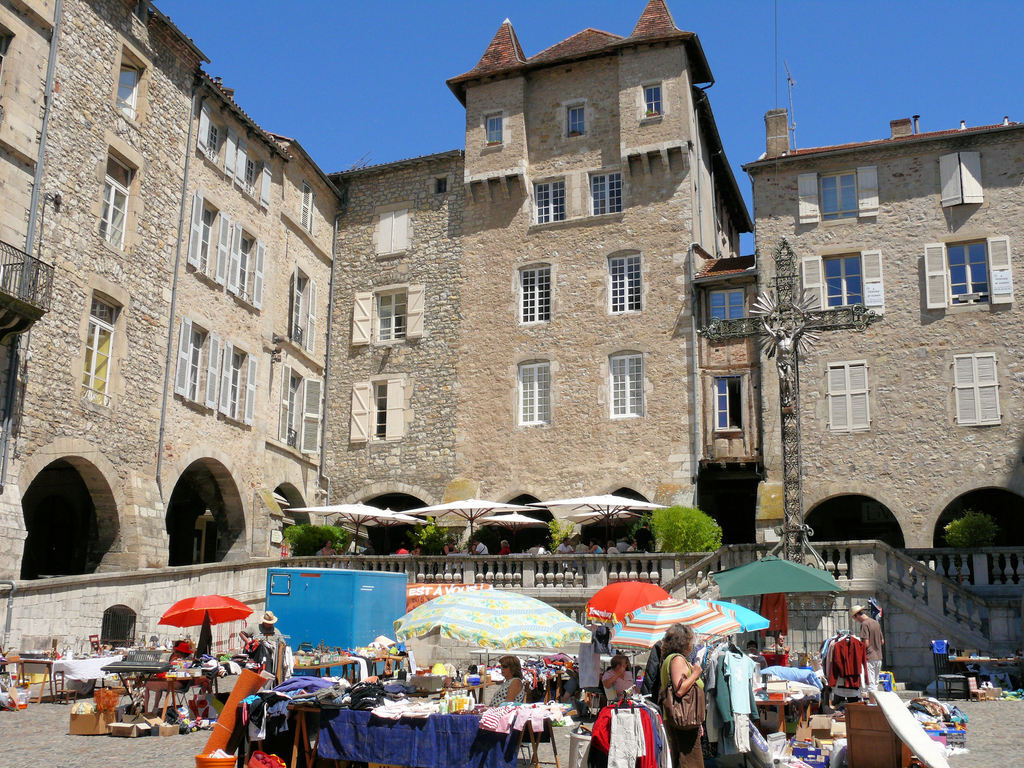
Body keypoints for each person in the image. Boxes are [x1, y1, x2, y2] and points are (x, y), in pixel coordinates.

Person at [660, 623, 704, 768]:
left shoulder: (672, 659)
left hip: (683, 718)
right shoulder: (677, 659)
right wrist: (696, 674)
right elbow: (679, 690)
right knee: (690, 763)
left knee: (683, 761)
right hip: (682, 719)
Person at [852, 604, 884, 691]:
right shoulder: (876, 623)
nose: (856, 620)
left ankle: (872, 700)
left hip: (870, 657)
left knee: (870, 685)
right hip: (879, 657)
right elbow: (882, 641)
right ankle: (875, 699)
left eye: (854, 618)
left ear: (856, 615)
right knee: (875, 684)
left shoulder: (864, 624)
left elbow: (866, 643)